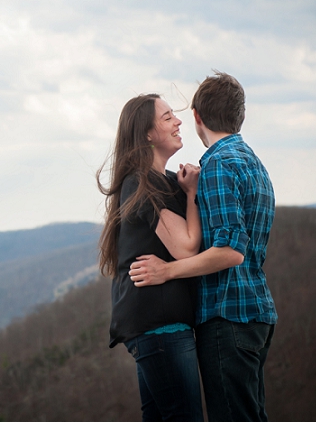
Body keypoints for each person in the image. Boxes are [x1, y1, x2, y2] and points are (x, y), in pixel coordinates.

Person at [129, 71, 277, 421]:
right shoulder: (254, 164)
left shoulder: (218, 165)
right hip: (256, 313)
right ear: (239, 116)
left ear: (197, 116)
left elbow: (231, 251)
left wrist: (167, 270)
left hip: (227, 315)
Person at [97, 93, 204, 422]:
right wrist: (193, 195)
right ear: (146, 133)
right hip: (161, 328)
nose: (178, 121)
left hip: (157, 329)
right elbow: (186, 247)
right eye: (168, 116)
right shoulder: (141, 183)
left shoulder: (164, 180)